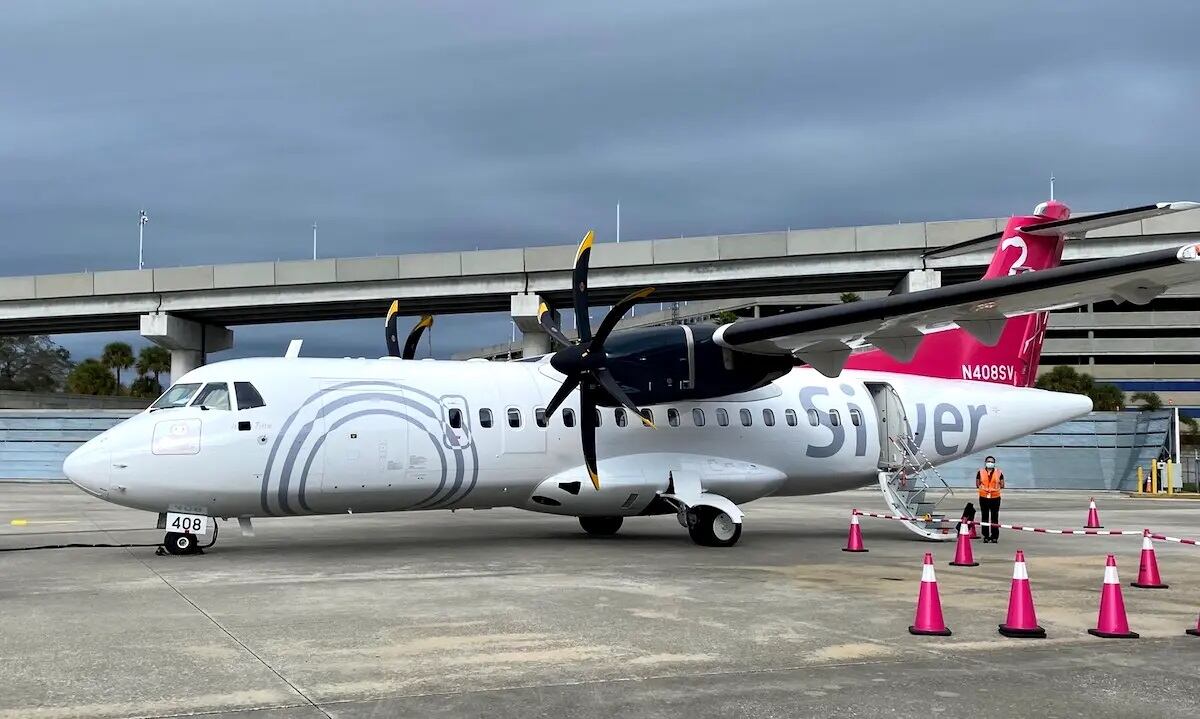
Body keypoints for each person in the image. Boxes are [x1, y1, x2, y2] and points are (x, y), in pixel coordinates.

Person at [975, 456, 1004, 543]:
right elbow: (977, 484)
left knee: (995, 518)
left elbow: (1002, 485)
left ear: (994, 463)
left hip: (995, 497)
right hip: (984, 497)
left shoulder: (999, 472)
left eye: (991, 462)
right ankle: (986, 536)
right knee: (985, 517)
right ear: (985, 462)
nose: (990, 463)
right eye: (988, 461)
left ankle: (994, 536)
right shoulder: (980, 472)